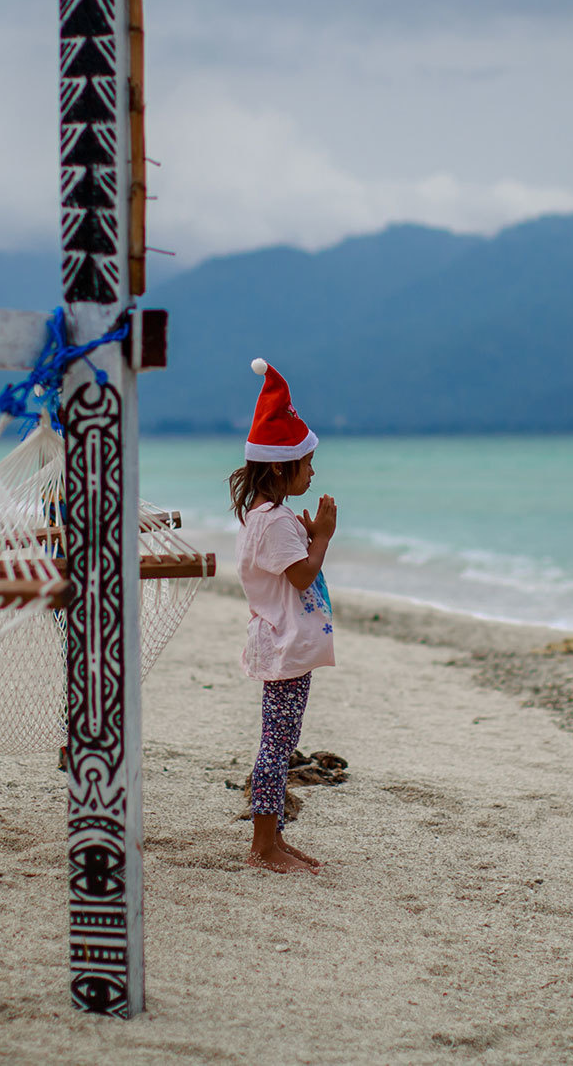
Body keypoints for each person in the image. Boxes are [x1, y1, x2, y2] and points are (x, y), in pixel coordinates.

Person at [228, 358, 336, 875]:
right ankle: (263, 845)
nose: (312, 471)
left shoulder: (265, 517)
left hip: (282, 642)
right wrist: (322, 539)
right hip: (283, 645)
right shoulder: (273, 524)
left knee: (283, 740)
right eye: (307, 462)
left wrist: (308, 536)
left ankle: (275, 837)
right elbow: (300, 576)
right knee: (277, 744)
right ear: (280, 466)